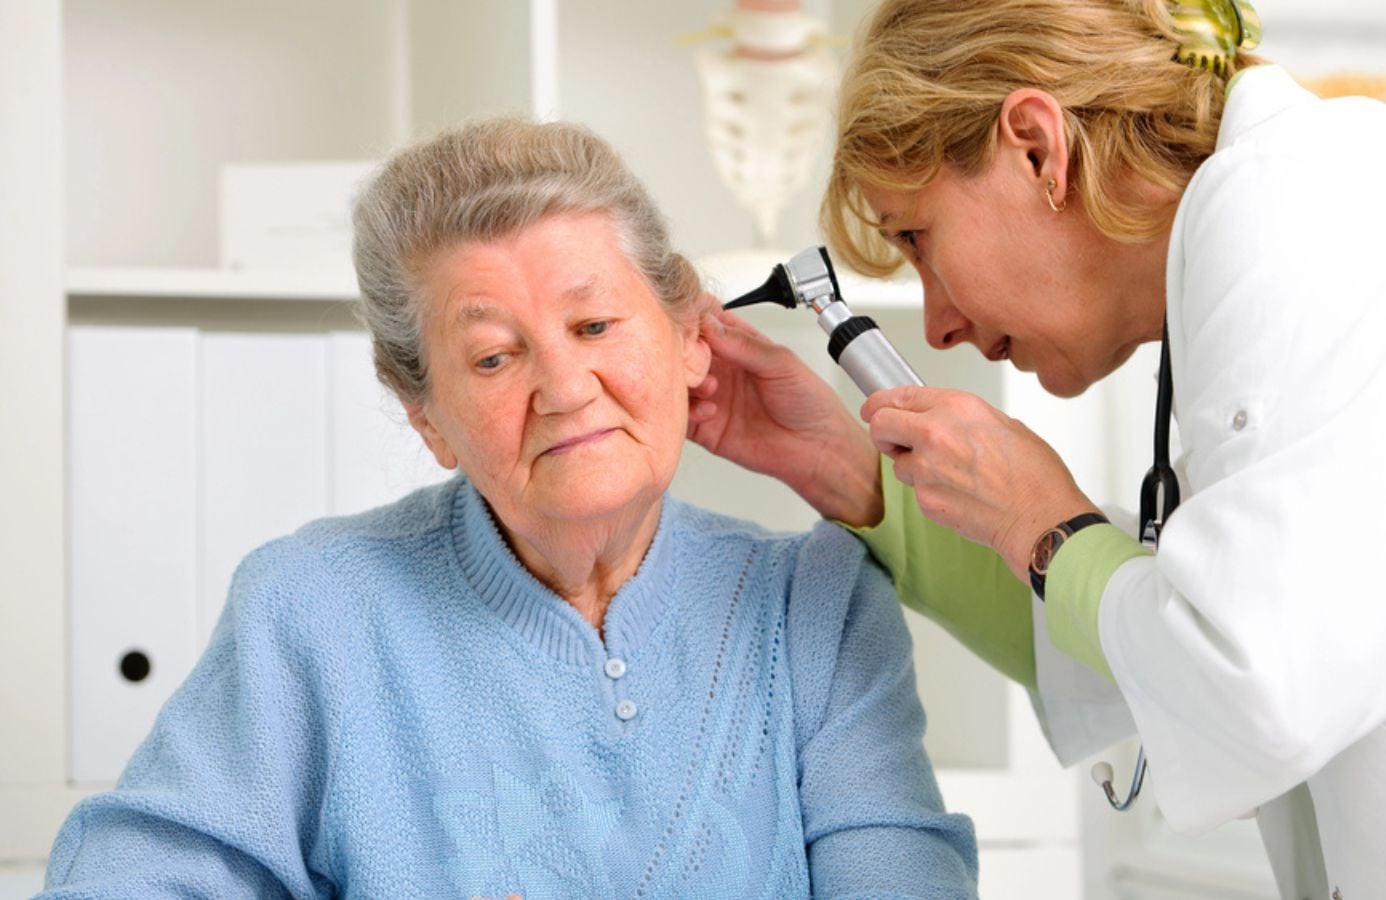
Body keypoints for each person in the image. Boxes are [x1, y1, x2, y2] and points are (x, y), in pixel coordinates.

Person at [685, 0, 1386, 896]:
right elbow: (1144, 645)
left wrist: (1042, 515)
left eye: (920, 239)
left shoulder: (1307, 199)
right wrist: (847, 470)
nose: (939, 320)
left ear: (1038, 148)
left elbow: (1245, 684)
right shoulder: (1278, 226)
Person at [41, 119, 978, 899]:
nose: (566, 387)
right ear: (427, 415)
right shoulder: (311, 609)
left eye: (594, 324)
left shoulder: (813, 604)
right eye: (494, 357)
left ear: (693, 336)